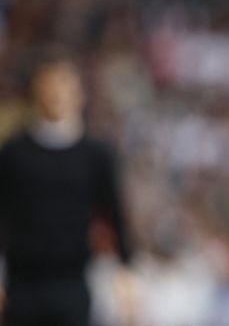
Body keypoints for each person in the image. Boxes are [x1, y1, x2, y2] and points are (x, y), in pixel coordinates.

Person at [0, 50, 133, 326]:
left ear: (79, 93)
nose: (56, 93)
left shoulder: (95, 154)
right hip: (22, 282)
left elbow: (114, 213)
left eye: (64, 84)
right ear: (35, 90)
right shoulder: (13, 153)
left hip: (72, 281)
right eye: (49, 84)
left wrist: (126, 271)